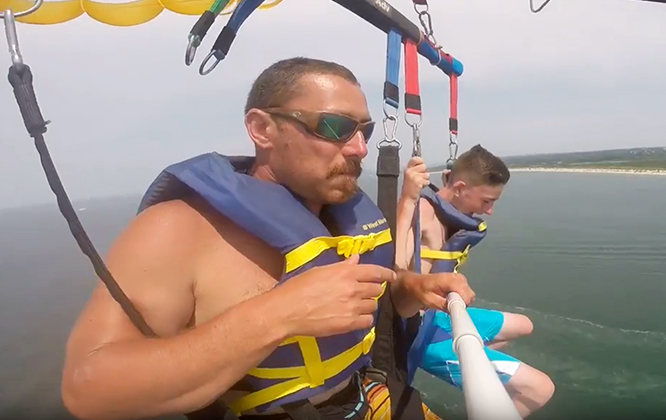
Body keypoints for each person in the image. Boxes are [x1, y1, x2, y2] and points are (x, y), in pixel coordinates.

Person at [59, 57, 476, 420]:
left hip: (369, 395)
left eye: (363, 130)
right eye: (335, 127)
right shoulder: (180, 229)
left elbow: (370, 301)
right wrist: (279, 313)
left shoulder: (343, 211)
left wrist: (410, 288)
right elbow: (88, 389)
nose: (359, 148)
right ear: (262, 129)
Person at [395, 146, 555, 418]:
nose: (489, 211)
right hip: (416, 331)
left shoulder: (451, 214)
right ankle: (457, 367)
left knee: (523, 325)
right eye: (486, 201)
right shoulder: (421, 212)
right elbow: (395, 268)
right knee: (540, 388)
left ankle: (465, 367)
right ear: (459, 187)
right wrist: (407, 200)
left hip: (437, 317)